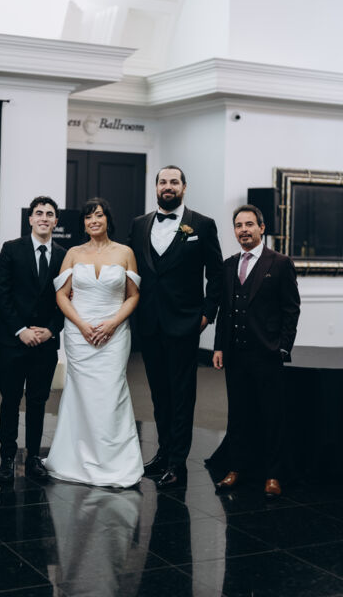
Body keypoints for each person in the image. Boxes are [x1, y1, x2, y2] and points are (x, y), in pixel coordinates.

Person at [130, 166, 223, 488]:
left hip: (185, 323)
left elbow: (216, 275)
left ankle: (177, 463)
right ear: (156, 186)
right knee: (159, 393)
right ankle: (163, 453)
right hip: (149, 323)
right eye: (162, 182)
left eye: (173, 182)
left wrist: (207, 314)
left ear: (184, 187)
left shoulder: (202, 225)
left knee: (182, 395)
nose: (167, 186)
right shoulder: (139, 224)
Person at [44, 197, 143, 488]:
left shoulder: (125, 252)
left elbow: (133, 295)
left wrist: (112, 323)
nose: (94, 221)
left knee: (111, 393)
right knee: (82, 394)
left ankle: (114, 461)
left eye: (99, 215)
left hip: (115, 333)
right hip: (80, 333)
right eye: (88, 217)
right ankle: (77, 457)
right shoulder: (73, 253)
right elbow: (61, 295)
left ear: (107, 219)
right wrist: (82, 325)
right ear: (83, 224)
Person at [213, 204, 300, 497]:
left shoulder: (280, 263)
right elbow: (225, 310)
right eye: (239, 225)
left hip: (267, 353)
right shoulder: (228, 265)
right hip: (235, 354)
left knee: (271, 416)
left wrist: (283, 348)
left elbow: (291, 310)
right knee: (238, 415)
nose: (244, 230)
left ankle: (273, 474)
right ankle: (236, 468)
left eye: (249, 224)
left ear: (261, 228)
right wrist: (218, 347)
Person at [0, 196, 66, 484]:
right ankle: (7, 458)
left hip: (46, 342)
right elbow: (1, 294)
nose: (44, 218)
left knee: (38, 401)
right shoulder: (11, 249)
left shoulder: (64, 255)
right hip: (14, 340)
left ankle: (34, 456)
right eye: (39, 213)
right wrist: (20, 329)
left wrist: (51, 330)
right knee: (10, 399)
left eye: (49, 214)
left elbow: (68, 298)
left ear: (56, 221)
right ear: (30, 219)